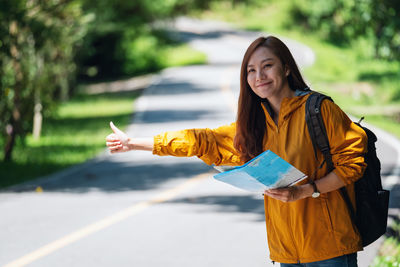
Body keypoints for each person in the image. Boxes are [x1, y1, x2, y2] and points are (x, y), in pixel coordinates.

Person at [106, 36, 367, 267]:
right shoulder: (254, 125)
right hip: (288, 251)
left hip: (330, 246)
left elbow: (354, 163)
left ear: (286, 68)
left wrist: (308, 189)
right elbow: (200, 141)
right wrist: (133, 143)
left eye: (267, 66)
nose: (259, 76)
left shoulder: (318, 110)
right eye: (250, 70)